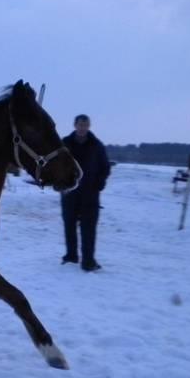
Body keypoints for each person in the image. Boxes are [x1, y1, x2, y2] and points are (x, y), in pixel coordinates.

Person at [60, 114, 111, 272]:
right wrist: (60, 184)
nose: (82, 128)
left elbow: (105, 167)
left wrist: (99, 184)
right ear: (75, 125)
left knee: (89, 228)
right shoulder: (64, 144)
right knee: (69, 226)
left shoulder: (96, 145)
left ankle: (88, 261)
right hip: (70, 192)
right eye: (80, 125)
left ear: (89, 126)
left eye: (85, 125)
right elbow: (56, 166)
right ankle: (71, 256)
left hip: (90, 194)